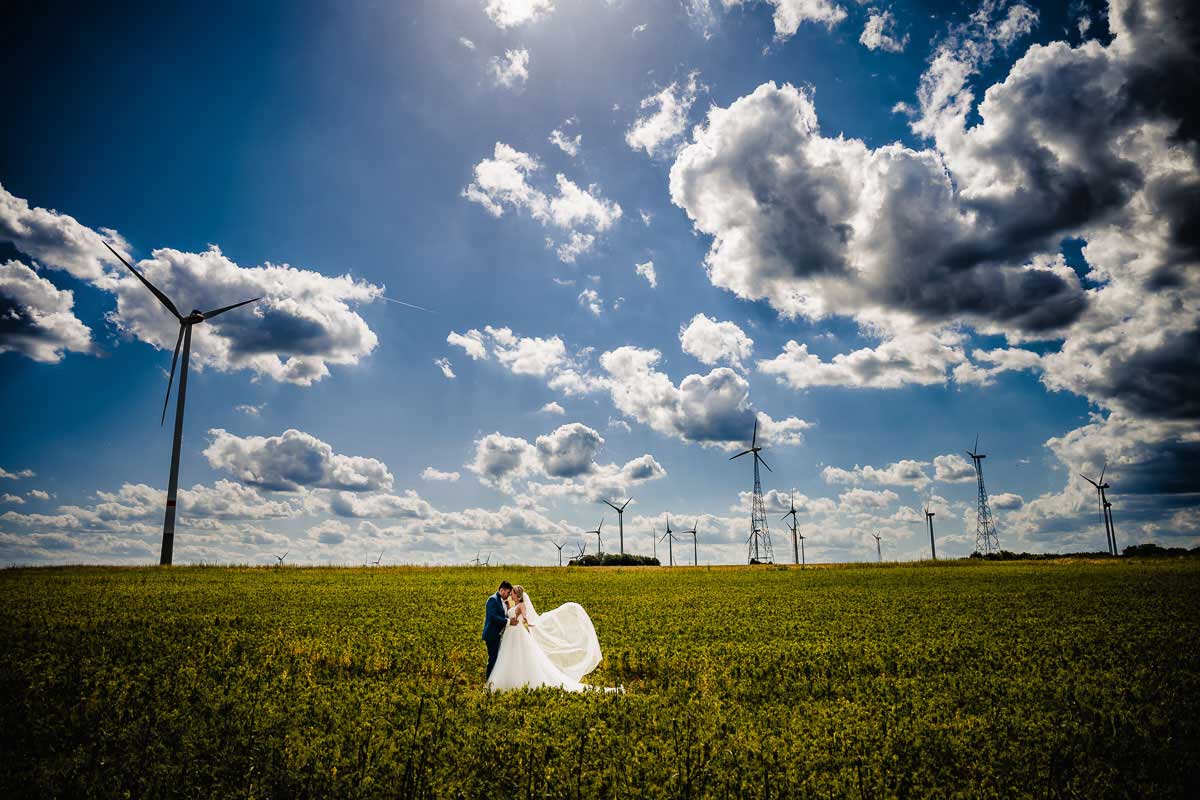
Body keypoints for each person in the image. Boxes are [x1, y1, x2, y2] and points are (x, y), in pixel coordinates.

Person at [485, 583, 619, 693]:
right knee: (507, 657)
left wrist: (529, 623)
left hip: (517, 632)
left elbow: (525, 617)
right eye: (509, 593)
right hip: (510, 634)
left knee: (519, 657)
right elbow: (505, 616)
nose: (510, 595)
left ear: (517, 595)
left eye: (511, 593)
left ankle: (512, 682)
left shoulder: (521, 605)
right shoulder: (510, 605)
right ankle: (505, 681)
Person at [482, 580, 515, 680]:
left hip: (499, 634)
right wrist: (508, 621)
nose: (509, 595)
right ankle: (488, 681)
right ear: (502, 590)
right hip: (492, 634)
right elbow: (493, 617)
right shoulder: (492, 599)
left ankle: (494, 680)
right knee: (493, 658)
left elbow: (502, 614)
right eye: (508, 593)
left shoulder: (503, 601)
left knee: (497, 658)